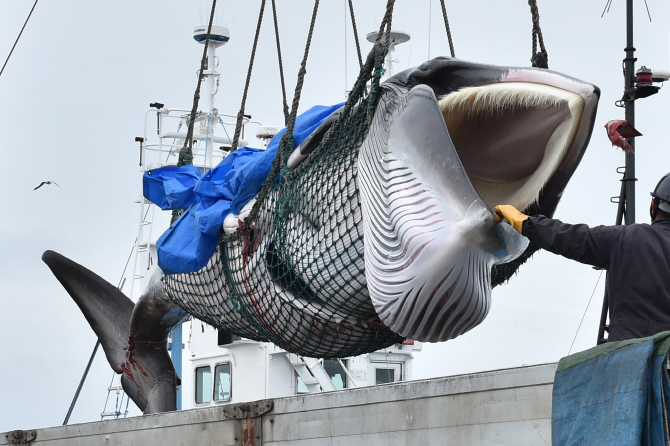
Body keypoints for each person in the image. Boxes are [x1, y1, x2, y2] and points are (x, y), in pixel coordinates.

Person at [494, 172, 670, 342]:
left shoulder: (627, 238)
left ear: (654, 205)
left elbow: (568, 237)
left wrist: (524, 222)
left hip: (629, 357)